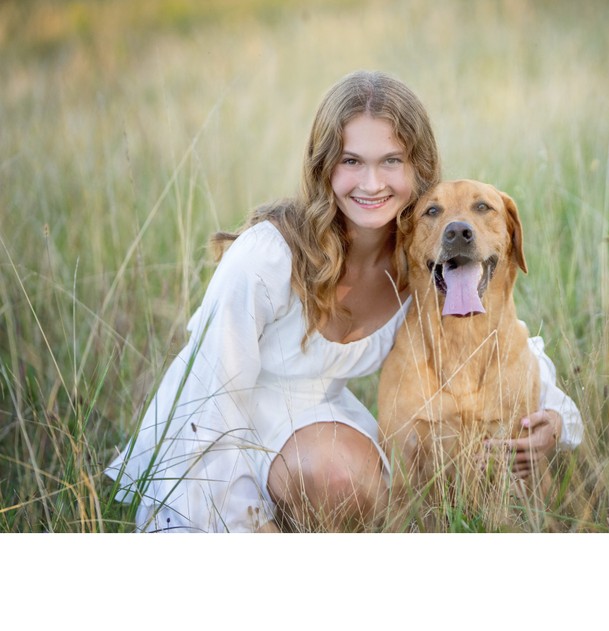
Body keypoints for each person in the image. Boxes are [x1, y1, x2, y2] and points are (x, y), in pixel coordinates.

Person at [105, 70, 583, 533]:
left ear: (419, 167)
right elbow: (207, 403)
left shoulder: (418, 257)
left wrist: (557, 418)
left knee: (352, 484)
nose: (371, 183)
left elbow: (501, 344)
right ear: (322, 168)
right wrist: (252, 527)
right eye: (351, 161)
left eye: (391, 160)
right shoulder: (267, 256)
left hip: (312, 425)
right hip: (213, 429)